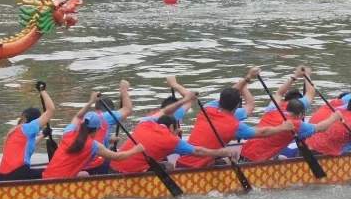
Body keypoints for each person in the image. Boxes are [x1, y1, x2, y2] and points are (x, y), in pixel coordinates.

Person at [177, 67, 294, 169]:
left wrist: (247, 78)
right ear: (237, 106)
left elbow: (232, 92)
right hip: (196, 168)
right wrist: (282, 128)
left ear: (220, 100)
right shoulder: (234, 126)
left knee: (224, 157)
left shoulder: (207, 109)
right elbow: (263, 132)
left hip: (180, 163)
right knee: (230, 158)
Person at [111, 86, 239, 171]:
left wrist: (186, 99)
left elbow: (165, 110)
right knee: (168, 166)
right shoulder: (171, 140)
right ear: (171, 126)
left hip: (113, 166)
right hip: (125, 174)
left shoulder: (145, 122)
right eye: (176, 130)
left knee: (164, 162)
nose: (177, 133)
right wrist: (222, 152)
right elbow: (199, 151)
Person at [43, 94, 144, 179]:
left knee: (84, 174)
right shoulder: (93, 145)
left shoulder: (69, 132)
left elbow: (77, 116)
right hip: (60, 184)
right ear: (96, 129)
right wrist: (135, 150)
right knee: (97, 169)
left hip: (46, 176)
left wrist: (90, 101)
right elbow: (117, 157)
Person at [0, 87, 56, 180]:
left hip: (2, 175)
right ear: (36, 120)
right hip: (17, 173)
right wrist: (42, 91)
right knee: (55, 172)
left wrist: (43, 135)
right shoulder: (29, 127)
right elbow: (51, 110)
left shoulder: (15, 130)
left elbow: (27, 146)